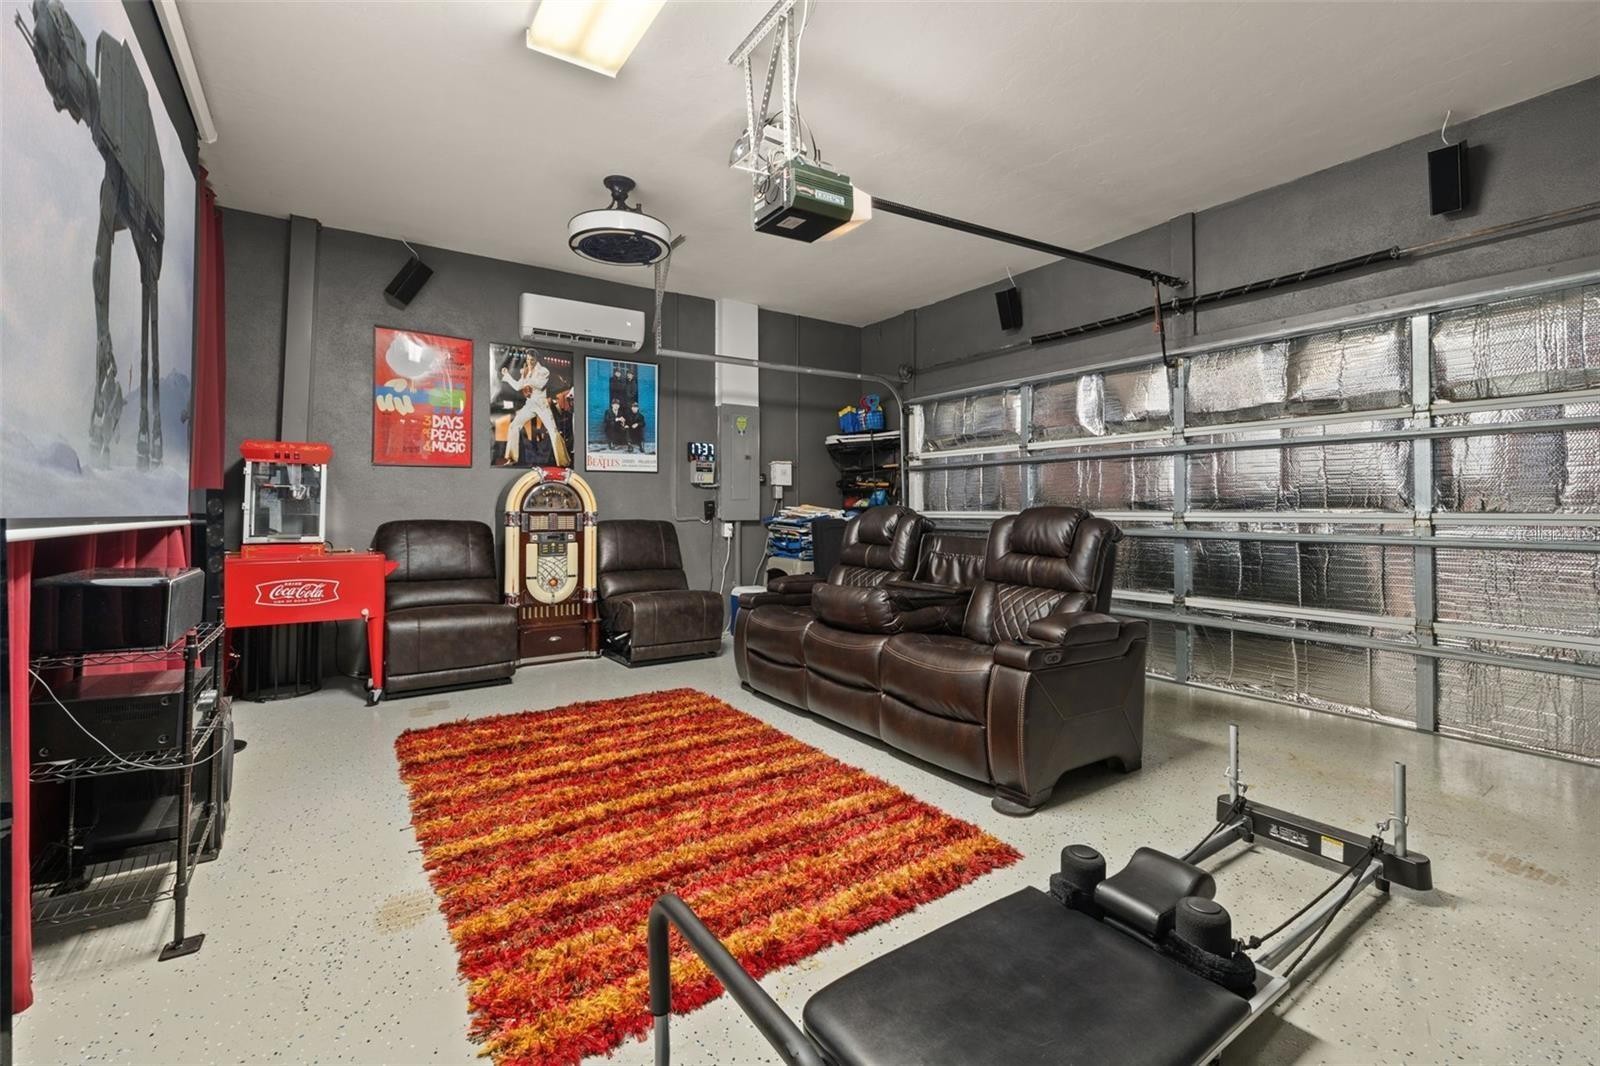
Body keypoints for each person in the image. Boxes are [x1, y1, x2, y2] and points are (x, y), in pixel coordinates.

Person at [499, 353, 569, 467]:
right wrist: (507, 375)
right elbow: (517, 386)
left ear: (536, 359)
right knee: (513, 426)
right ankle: (512, 458)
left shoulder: (544, 371)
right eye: (528, 359)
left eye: (532, 360)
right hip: (530, 404)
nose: (529, 362)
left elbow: (540, 385)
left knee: (553, 431)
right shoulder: (526, 371)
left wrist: (527, 377)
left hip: (541, 405)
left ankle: (563, 461)